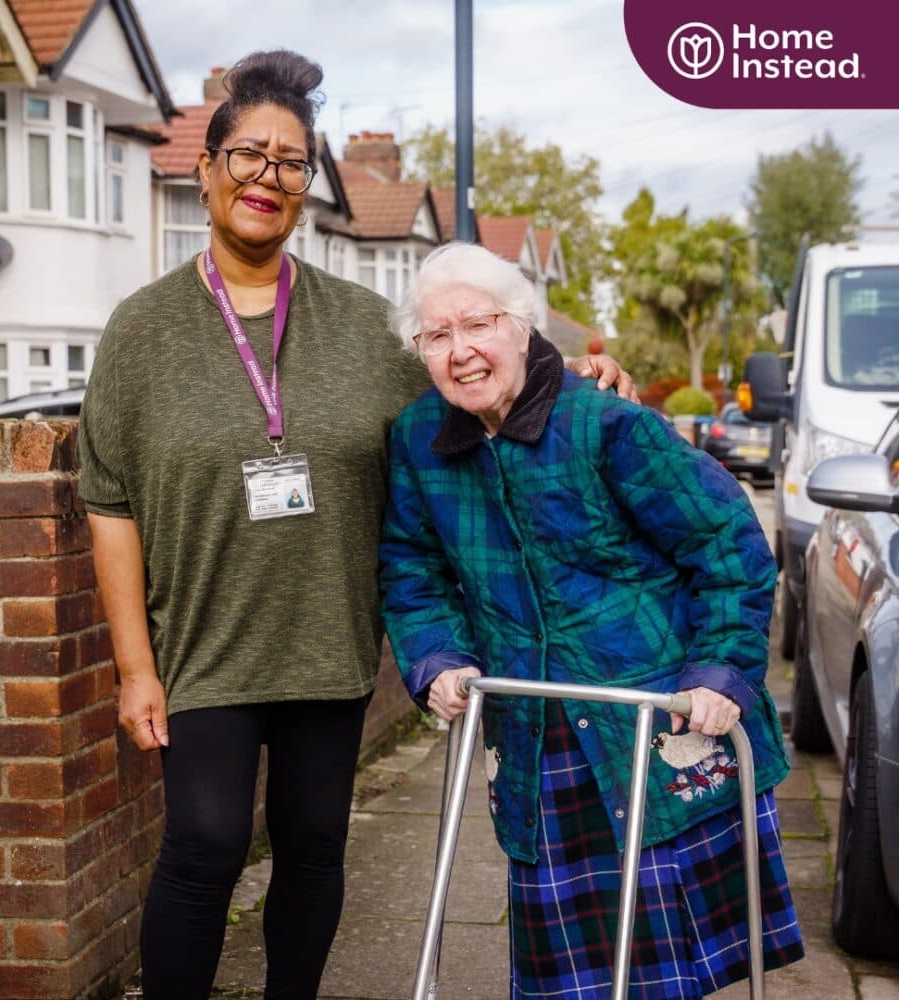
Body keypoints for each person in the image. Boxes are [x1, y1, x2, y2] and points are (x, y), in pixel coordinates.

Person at [78, 51, 635, 1000]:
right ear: (207, 168)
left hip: (331, 645)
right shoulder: (141, 329)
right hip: (203, 648)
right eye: (249, 154)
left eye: (291, 163)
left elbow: (477, 383)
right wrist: (135, 667)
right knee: (204, 845)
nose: (269, 176)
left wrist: (578, 380)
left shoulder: (369, 328)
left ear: (306, 189)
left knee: (312, 846)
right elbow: (109, 502)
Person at [379, 242, 804, 999]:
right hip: (538, 737)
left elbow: (730, 547)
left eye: (478, 325)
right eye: (437, 336)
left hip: (657, 723)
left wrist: (721, 672)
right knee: (570, 980)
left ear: (522, 327)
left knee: (673, 969)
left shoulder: (608, 426)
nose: (462, 351)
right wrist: (437, 659)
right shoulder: (418, 441)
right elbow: (413, 568)